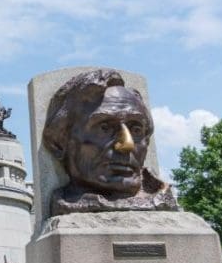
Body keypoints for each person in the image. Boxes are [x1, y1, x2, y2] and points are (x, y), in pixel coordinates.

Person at [42, 68, 177, 214]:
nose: (127, 144)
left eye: (136, 130)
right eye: (104, 128)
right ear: (59, 143)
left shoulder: (162, 199)